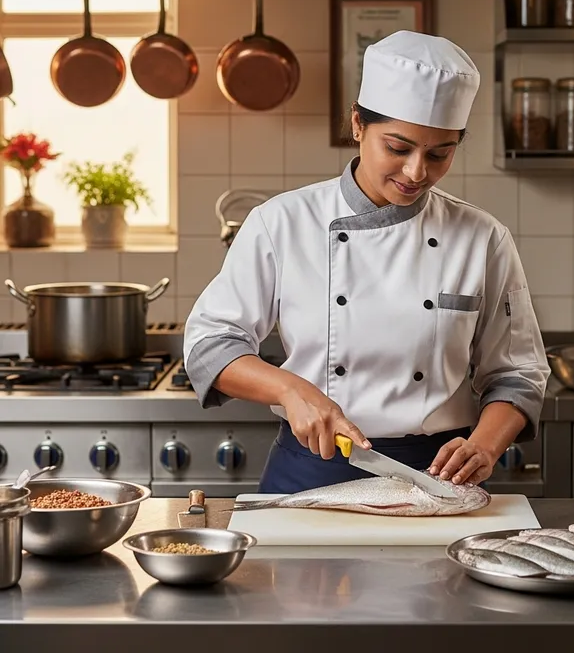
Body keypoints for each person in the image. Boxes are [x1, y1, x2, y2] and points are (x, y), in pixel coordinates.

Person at [183, 30, 550, 495]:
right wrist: (291, 390)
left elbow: (518, 372)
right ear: (357, 124)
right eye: (398, 148)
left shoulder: (483, 237)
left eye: (440, 153)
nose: (417, 172)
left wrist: (483, 445)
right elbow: (210, 344)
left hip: (434, 477)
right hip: (313, 470)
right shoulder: (282, 222)